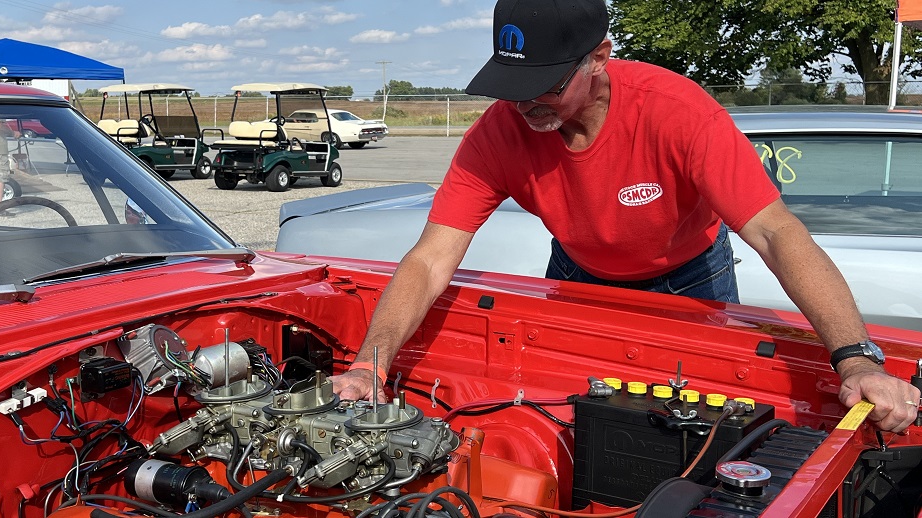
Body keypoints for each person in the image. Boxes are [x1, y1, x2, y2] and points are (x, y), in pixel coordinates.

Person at [331, 0, 920, 433]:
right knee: (568, 411)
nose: (525, 104)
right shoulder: (499, 135)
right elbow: (432, 258)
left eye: (545, 86)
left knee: (696, 421)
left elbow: (775, 231)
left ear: (600, 58)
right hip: (576, 274)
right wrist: (370, 366)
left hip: (691, 276)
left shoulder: (677, 113)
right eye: (512, 87)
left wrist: (855, 358)